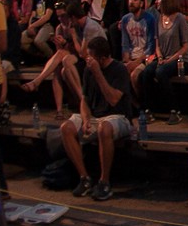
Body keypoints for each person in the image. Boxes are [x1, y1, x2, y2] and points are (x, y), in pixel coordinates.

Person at [57, 34, 139, 201]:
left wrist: (98, 73)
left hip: (118, 117)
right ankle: (84, 177)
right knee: (66, 127)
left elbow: (114, 99)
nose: (87, 60)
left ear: (101, 59)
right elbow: (84, 100)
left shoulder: (119, 70)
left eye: (91, 57)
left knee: (104, 128)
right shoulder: (88, 70)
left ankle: (104, 182)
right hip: (95, 116)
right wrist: (86, 119)